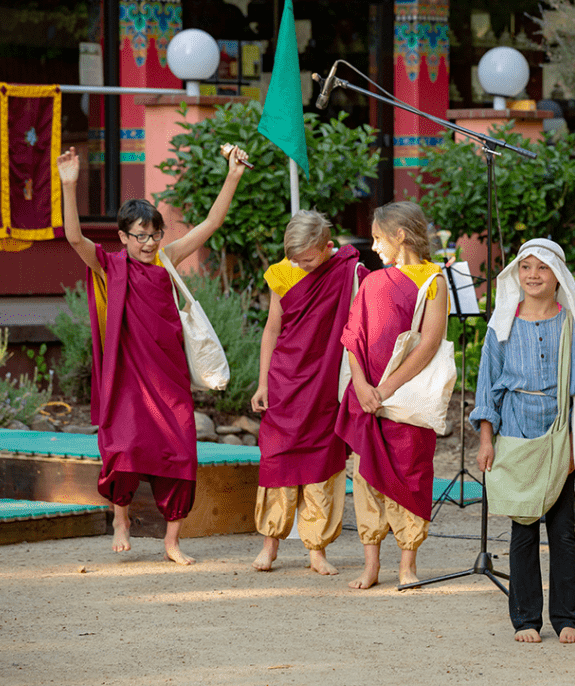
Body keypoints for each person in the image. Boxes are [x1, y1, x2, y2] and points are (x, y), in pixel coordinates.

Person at [56, 143, 248, 565]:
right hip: (127, 378)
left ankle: (171, 542)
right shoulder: (109, 265)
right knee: (123, 449)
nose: (148, 243)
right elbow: (73, 237)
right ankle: (120, 518)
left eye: (154, 234)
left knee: (180, 453)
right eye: (139, 235)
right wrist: (69, 186)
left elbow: (211, 223)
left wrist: (232, 174)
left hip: (168, 376)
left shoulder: (169, 259)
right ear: (123, 236)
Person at [469, 238, 575, 645]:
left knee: (564, 531)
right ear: (517, 274)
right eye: (526, 267)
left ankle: (568, 617)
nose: (533, 275)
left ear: (557, 275)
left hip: (559, 437)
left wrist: (574, 449)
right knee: (523, 529)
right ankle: (526, 619)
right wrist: (486, 439)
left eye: (542, 268)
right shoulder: (502, 325)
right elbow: (486, 389)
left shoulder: (570, 324)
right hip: (515, 435)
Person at [334, 201, 447, 589]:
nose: (376, 246)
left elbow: (429, 342)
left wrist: (387, 387)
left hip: (405, 397)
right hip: (367, 395)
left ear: (400, 236)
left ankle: (407, 564)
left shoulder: (433, 279)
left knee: (411, 472)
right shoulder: (372, 282)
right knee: (366, 476)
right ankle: (371, 565)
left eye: (380, 238)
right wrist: (362, 386)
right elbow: (352, 338)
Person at [250, 210, 366, 575]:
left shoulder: (347, 272)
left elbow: (357, 326)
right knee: (276, 458)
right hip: (286, 378)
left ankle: (317, 549)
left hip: (325, 381)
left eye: (309, 259)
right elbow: (272, 329)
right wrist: (263, 381)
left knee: (322, 463)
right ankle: (270, 544)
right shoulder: (282, 273)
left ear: (328, 247)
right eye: (295, 259)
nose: (301, 265)